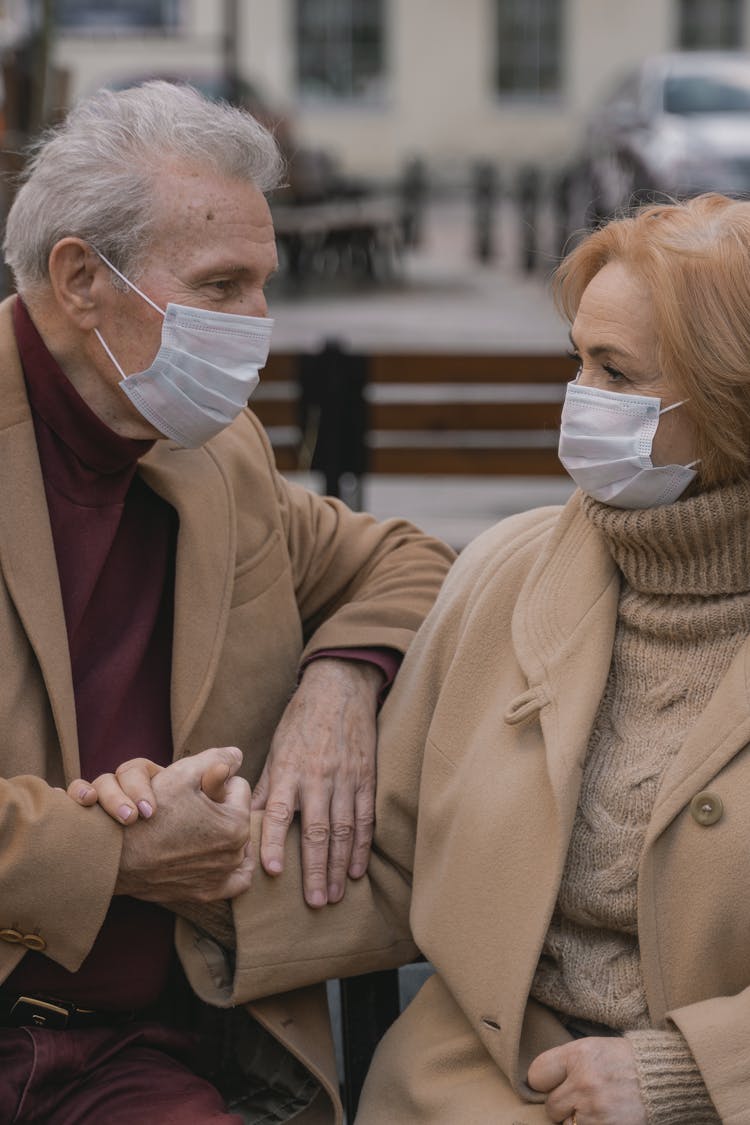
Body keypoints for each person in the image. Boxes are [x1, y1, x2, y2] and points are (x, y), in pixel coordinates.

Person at [104, 190, 749, 1124]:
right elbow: (393, 863)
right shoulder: (508, 572)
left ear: (730, 400)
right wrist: (202, 857)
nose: (580, 403)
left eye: (616, 372)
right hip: (469, 1087)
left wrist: (692, 1073)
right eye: (578, 361)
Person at [0, 80, 454, 1123]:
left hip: (135, 1051)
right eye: (221, 286)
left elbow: (404, 561)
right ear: (80, 278)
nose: (258, 325)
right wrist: (113, 852)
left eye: (264, 284)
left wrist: (341, 683)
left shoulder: (212, 452)